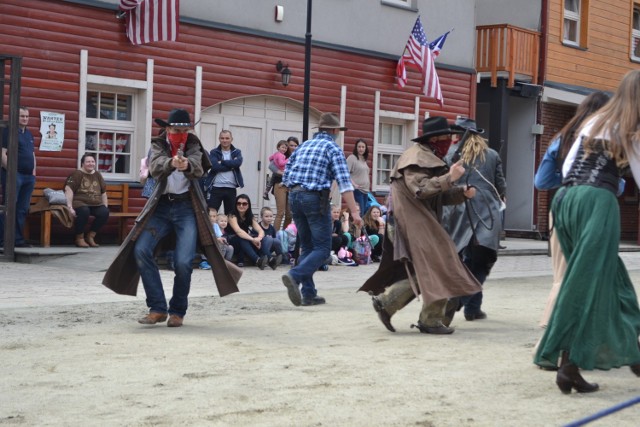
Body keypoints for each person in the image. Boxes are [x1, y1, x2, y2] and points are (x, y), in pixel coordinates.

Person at [533, 70, 640, 393]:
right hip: (597, 202)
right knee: (587, 284)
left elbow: (565, 170)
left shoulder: (593, 121)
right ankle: (566, 363)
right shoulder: (631, 127)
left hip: (565, 201)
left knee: (610, 279)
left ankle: (627, 356)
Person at [102, 109, 242, 328]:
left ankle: (178, 311)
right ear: (168, 129)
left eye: (185, 130)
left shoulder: (194, 144)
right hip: (161, 207)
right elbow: (155, 166)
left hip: (187, 207)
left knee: (184, 262)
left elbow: (199, 167)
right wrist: (170, 164)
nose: (182, 134)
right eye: (177, 130)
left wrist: (186, 165)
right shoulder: (158, 144)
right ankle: (157, 308)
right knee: (140, 250)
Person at [359, 116, 481, 335]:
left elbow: (437, 197)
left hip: (417, 222)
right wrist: (450, 178)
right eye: (446, 137)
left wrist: (461, 193)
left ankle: (389, 304)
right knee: (441, 266)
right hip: (410, 223)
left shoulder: (429, 157)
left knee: (431, 268)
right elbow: (422, 189)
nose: (450, 140)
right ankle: (428, 318)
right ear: (434, 138)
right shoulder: (416, 158)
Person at [533, 91, 610, 330]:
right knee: (592, 272)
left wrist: (566, 179)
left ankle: (551, 325)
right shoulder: (606, 141)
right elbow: (615, 184)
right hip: (595, 208)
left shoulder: (561, 139)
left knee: (561, 273)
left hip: (562, 207)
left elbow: (541, 182)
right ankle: (570, 328)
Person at [282, 112, 362, 306]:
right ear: (335, 131)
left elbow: (286, 174)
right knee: (323, 248)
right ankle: (295, 275)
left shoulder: (303, 146)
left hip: (294, 195)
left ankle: (309, 293)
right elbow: (344, 183)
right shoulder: (333, 148)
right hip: (315, 198)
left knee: (307, 246)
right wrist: (354, 212)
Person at [442, 118, 506, 321]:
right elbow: (501, 186)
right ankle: (463, 300)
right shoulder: (492, 155)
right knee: (483, 260)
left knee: (467, 259)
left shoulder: (451, 155)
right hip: (486, 210)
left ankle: (472, 307)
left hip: (459, 210)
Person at [0, 106, 36, 248]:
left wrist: (34, 172)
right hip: (15, 175)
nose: (25, 119)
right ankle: (3, 240)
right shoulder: (8, 131)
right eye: (22, 116)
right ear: (15, 116)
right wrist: (11, 172)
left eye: (27, 116)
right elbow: (2, 154)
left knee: (22, 209)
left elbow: (32, 155)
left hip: (28, 177)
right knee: (9, 207)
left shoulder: (29, 134)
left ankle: (18, 240)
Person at [63, 154, 110, 248]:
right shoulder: (77, 174)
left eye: (92, 162)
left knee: (104, 212)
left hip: (96, 203)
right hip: (80, 202)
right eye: (88, 162)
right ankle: (79, 238)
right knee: (84, 211)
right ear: (83, 163)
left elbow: (103, 192)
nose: (91, 164)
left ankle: (90, 236)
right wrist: (69, 207)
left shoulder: (97, 174)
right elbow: (68, 189)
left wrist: (105, 205)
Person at [227, 194, 273, 269]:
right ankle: (257, 260)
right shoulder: (231, 215)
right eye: (238, 203)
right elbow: (239, 231)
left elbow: (260, 230)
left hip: (245, 240)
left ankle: (271, 259)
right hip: (232, 241)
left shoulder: (250, 216)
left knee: (263, 238)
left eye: (244, 204)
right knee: (242, 238)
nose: (241, 205)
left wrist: (259, 238)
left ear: (248, 205)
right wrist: (252, 240)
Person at [206, 130, 243, 215]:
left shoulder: (237, 152)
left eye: (227, 138)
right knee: (211, 214)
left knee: (231, 215)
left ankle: (228, 229)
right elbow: (215, 167)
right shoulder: (214, 152)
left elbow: (238, 163)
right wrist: (231, 165)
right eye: (222, 138)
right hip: (216, 188)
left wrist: (222, 161)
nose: (224, 140)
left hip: (231, 188)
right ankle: (212, 229)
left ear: (231, 139)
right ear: (219, 139)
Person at [273, 136, 298, 231]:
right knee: (280, 212)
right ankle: (275, 236)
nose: (293, 147)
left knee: (289, 214)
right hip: (280, 185)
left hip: (292, 186)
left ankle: (285, 235)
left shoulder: (298, 156)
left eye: (295, 145)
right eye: (291, 145)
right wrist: (281, 172)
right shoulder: (281, 154)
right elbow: (271, 166)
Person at [347, 138, 370, 215]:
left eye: (363, 147)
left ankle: (361, 227)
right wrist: (354, 184)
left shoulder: (363, 159)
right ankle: (356, 227)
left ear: (365, 148)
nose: (361, 149)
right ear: (356, 148)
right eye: (359, 147)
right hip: (357, 190)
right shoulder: (352, 158)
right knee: (359, 213)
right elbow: (345, 173)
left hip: (365, 190)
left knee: (364, 213)